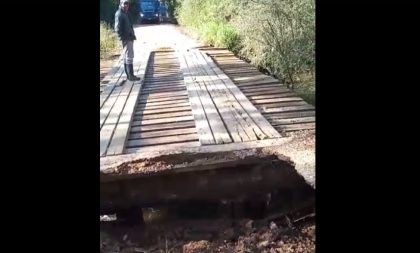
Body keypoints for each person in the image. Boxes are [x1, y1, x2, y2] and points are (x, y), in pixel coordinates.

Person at [115, 0, 140, 81]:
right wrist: (123, 38)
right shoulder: (119, 14)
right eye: (125, 4)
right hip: (126, 38)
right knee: (129, 56)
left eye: (127, 4)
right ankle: (130, 75)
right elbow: (117, 28)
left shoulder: (126, 13)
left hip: (129, 37)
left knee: (128, 56)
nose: (126, 5)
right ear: (121, 4)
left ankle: (129, 75)